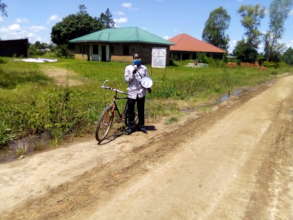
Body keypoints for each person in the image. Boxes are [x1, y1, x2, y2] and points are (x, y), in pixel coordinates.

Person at [124, 53, 150, 134]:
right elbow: (126, 80)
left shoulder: (144, 68)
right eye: (135, 58)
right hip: (132, 92)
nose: (137, 59)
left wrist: (148, 87)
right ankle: (130, 127)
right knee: (130, 111)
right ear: (133, 59)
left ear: (140, 58)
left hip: (141, 92)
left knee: (141, 110)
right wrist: (132, 73)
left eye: (138, 58)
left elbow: (146, 79)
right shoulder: (128, 68)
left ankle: (141, 126)